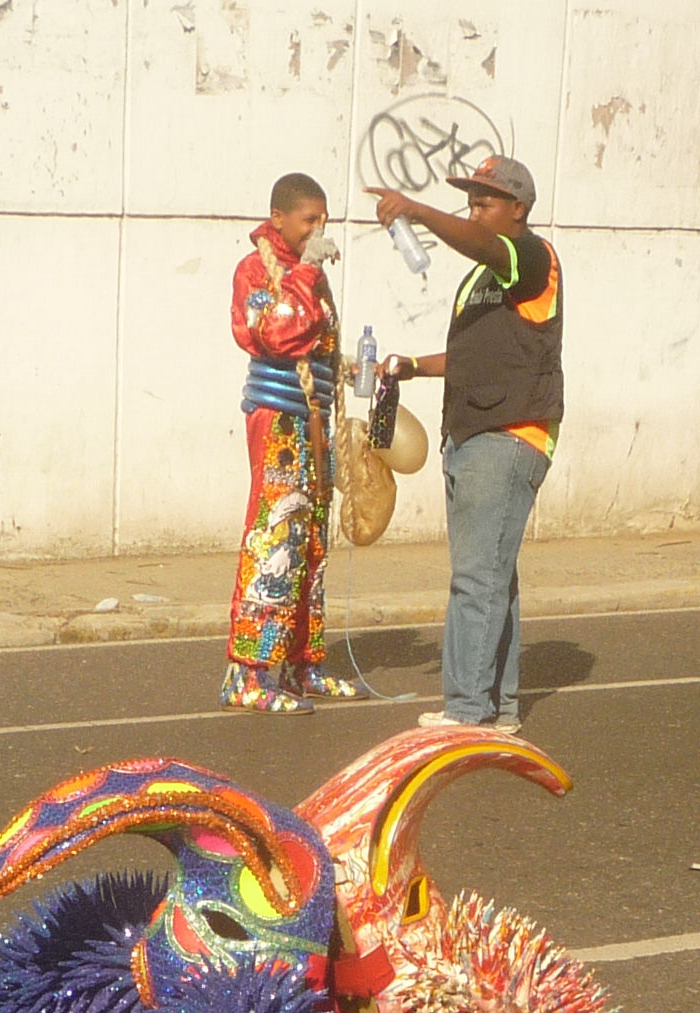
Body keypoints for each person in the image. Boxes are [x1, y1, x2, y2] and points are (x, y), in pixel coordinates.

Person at [369, 154, 560, 734]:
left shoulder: (527, 255)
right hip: (474, 431)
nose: (475, 212)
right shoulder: (483, 278)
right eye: (470, 202)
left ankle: (467, 709)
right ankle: (497, 708)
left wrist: (417, 211)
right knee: (493, 573)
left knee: (475, 576)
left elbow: (483, 244)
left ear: (518, 208)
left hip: (508, 433)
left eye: (487, 201)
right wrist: (412, 366)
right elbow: (477, 355)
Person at [224, 172, 362, 715]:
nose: (318, 229)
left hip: (314, 422)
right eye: (310, 220)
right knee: (276, 536)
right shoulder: (257, 271)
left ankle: (305, 664)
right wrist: (305, 274)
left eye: (323, 219)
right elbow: (277, 334)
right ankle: (250, 673)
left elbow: (318, 339)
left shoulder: (309, 275)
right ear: (279, 218)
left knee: (312, 546)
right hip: (278, 421)